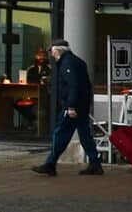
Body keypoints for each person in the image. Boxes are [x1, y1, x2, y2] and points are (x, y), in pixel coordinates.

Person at [30, 38, 103, 176]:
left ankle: (50, 164)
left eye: (51, 51)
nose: (51, 54)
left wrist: (71, 106)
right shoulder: (77, 61)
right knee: (85, 135)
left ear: (57, 50)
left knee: (60, 133)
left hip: (73, 106)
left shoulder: (67, 63)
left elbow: (73, 85)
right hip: (81, 105)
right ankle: (95, 164)